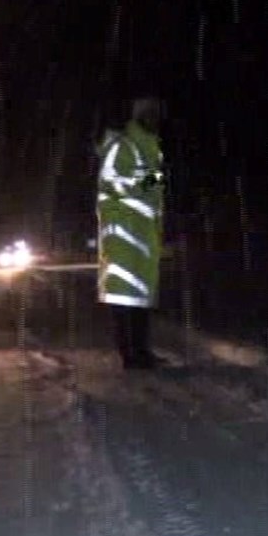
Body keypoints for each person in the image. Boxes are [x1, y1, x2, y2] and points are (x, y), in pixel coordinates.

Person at [96, 97, 166, 369]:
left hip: (142, 235)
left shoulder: (150, 147)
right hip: (123, 235)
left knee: (139, 298)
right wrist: (153, 179)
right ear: (139, 116)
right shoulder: (123, 145)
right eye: (149, 114)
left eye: (156, 114)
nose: (155, 119)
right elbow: (115, 184)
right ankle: (130, 355)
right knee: (124, 298)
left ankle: (142, 352)